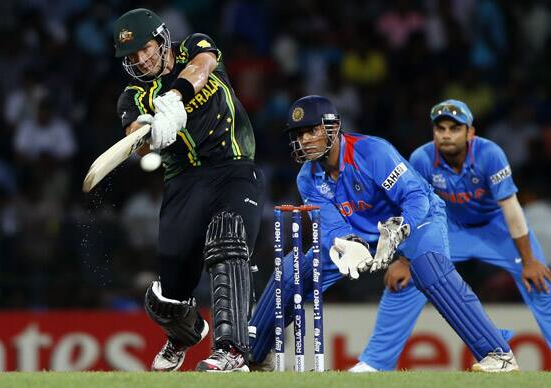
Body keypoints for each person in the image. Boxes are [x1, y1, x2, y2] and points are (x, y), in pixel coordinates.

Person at [249, 95, 518, 372]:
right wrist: (346, 244)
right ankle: (253, 354)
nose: (304, 139)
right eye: (298, 134)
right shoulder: (307, 177)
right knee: (297, 269)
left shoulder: (372, 152)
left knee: (429, 269)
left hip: (417, 219)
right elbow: (330, 226)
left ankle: (498, 354)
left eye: (311, 130)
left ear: (332, 128)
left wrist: (400, 228)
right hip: (361, 231)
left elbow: (414, 195)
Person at [113, 8, 265, 372]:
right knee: (168, 293)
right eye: (132, 57)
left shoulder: (194, 45)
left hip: (233, 166)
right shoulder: (133, 95)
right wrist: (149, 131)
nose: (142, 59)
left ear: (162, 38)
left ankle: (231, 350)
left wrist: (175, 98)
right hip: (183, 181)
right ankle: (185, 332)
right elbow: (134, 138)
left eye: (145, 48)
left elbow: (202, 66)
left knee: (229, 239)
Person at [352, 99, 551, 372]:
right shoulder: (422, 158)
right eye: (441, 128)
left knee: (540, 280)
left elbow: (512, 209)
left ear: (470, 133)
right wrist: (407, 259)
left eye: (455, 128)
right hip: (450, 227)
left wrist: (528, 260)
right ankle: (375, 363)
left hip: (496, 228)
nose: (446, 134)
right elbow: (414, 210)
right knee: (405, 280)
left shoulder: (490, 154)